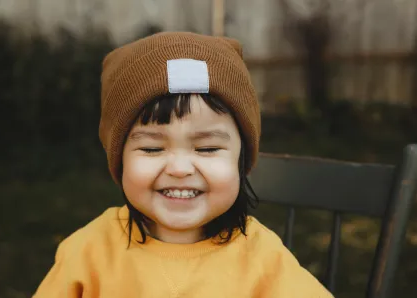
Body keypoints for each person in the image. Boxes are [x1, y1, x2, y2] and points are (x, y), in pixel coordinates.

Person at [33, 31, 334, 298]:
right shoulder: (89, 253)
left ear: (242, 162)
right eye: (151, 148)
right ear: (118, 160)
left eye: (207, 148)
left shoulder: (264, 259)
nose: (179, 168)